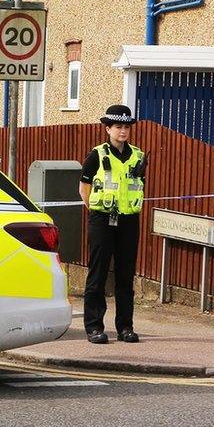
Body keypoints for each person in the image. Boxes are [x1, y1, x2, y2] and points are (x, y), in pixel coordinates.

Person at [78, 104, 147, 344]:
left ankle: (125, 327)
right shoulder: (97, 154)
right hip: (102, 219)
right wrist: (95, 210)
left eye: (126, 127)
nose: (123, 131)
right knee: (97, 274)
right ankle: (94, 327)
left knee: (125, 276)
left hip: (129, 220)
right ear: (108, 128)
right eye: (118, 127)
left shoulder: (138, 156)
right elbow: (84, 187)